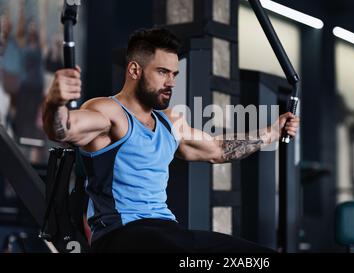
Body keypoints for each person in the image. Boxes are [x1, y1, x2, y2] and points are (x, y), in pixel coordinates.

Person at [42, 27, 300, 253]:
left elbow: (217, 149)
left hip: (166, 230)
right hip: (120, 234)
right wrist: (55, 100)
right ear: (134, 70)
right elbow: (63, 129)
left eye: (175, 74)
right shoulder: (110, 114)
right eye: (163, 72)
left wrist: (272, 132)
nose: (171, 82)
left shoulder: (170, 122)